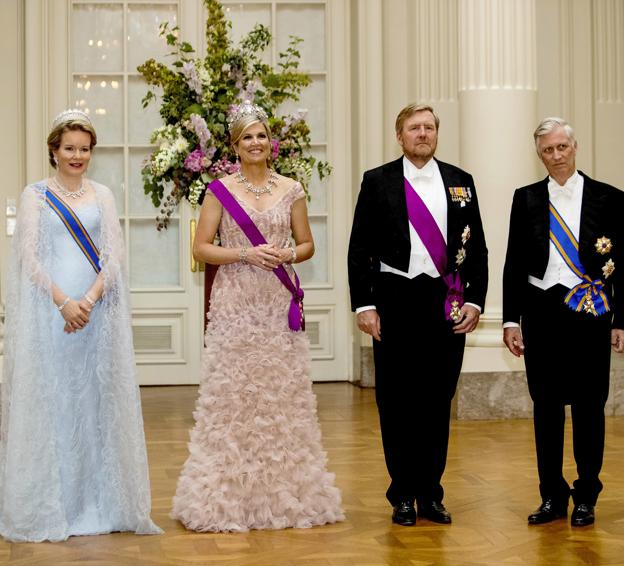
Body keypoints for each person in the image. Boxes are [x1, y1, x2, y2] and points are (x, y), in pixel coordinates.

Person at [171, 101, 343, 532]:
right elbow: (201, 248)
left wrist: (288, 253)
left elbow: (307, 245)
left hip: (275, 302)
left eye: (261, 135)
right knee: (235, 398)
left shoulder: (292, 190)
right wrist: (245, 252)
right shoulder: (219, 191)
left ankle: (286, 494)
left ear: (271, 143)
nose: (255, 142)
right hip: (235, 303)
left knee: (279, 398)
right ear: (234, 145)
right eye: (247, 136)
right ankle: (228, 496)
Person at [0, 109, 161, 542]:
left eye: (84, 149)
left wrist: (87, 301)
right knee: (56, 404)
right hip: (52, 317)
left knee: (93, 404)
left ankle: (99, 500)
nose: (77, 156)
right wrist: (63, 303)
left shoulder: (103, 194)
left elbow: (115, 255)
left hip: (94, 315)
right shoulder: (36, 195)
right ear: (53, 151)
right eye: (69, 148)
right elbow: (28, 257)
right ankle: (57, 502)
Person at [348, 103, 488, 526]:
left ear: (436, 133)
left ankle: (431, 493)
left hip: (446, 300)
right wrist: (365, 304)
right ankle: (402, 494)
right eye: (414, 128)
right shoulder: (378, 181)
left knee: (436, 399)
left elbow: (476, 248)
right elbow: (359, 248)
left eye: (428, 127)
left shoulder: (461, 181)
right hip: (394, 300)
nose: (422, 134)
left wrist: (476, 301)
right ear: (400, 135)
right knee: (396, 401)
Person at [503, 117, 624, 527]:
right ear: (539, 155)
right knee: (547, 408)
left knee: (590, 407)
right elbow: (513, 263)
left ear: (575, 148)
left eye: (562, 148)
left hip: (590, 313)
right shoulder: (526, 198)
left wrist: (620, 320)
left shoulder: (610, 198)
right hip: (541, 313)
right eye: (547, 150)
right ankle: (552, 495)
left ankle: (586, 494)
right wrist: (509, 320)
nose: (556, 156)